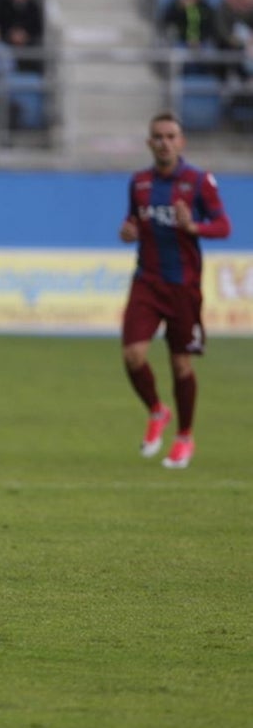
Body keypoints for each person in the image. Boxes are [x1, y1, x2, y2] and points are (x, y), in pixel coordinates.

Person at [119, 111, 231, 470]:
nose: (164, 142)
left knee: (180, 364)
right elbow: (132, 221)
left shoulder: (199, 181)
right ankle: (157, 410)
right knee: (133, 355)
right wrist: (128, 232)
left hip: (183, 286)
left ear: (181, 142)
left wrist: (193, 226)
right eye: (158, 136)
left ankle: (184, 436)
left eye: (171, 136)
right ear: (150, 142)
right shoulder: (139, 183)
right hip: (147, 282)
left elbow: (224, 226)